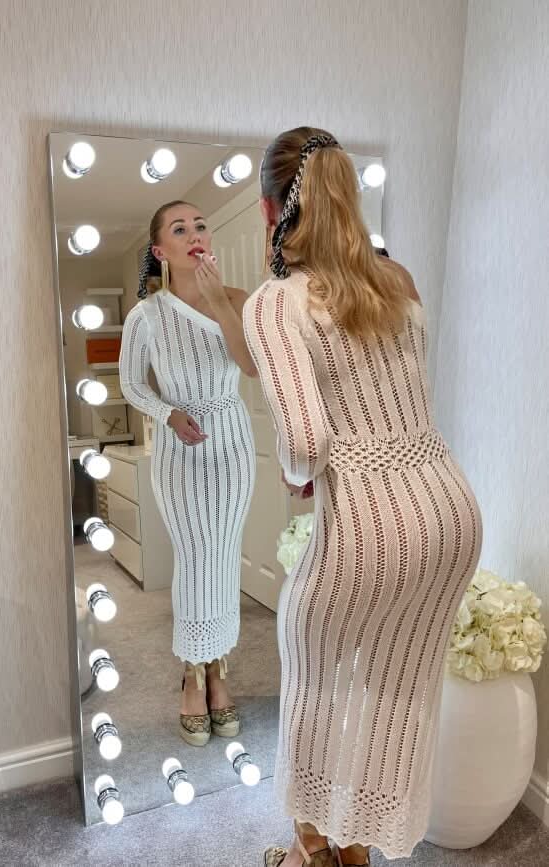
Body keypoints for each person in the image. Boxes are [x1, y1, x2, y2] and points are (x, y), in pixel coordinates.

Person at [243, 128, 482, 866]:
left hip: (373, 520)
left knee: (313, 663)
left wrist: (293, 472)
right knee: (395, 680)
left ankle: (316, 848)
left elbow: (308, 442)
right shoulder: (398, 279)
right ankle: (356, 845)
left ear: (269, 210)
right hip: (450, 512)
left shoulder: (277, 302)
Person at [119, 200, 256, 746]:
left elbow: (249, 365)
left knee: (224, 557)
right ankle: (192, 676)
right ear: (160, 251)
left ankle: (220, 670)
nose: (195, 232)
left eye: (201, 224)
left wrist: (221, 298)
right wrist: (167, 413)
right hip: (181, 452)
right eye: (180, 228)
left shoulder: (238, 300)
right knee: (194, 559)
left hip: (233, 444)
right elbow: (132, 384)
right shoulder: (145, 317)